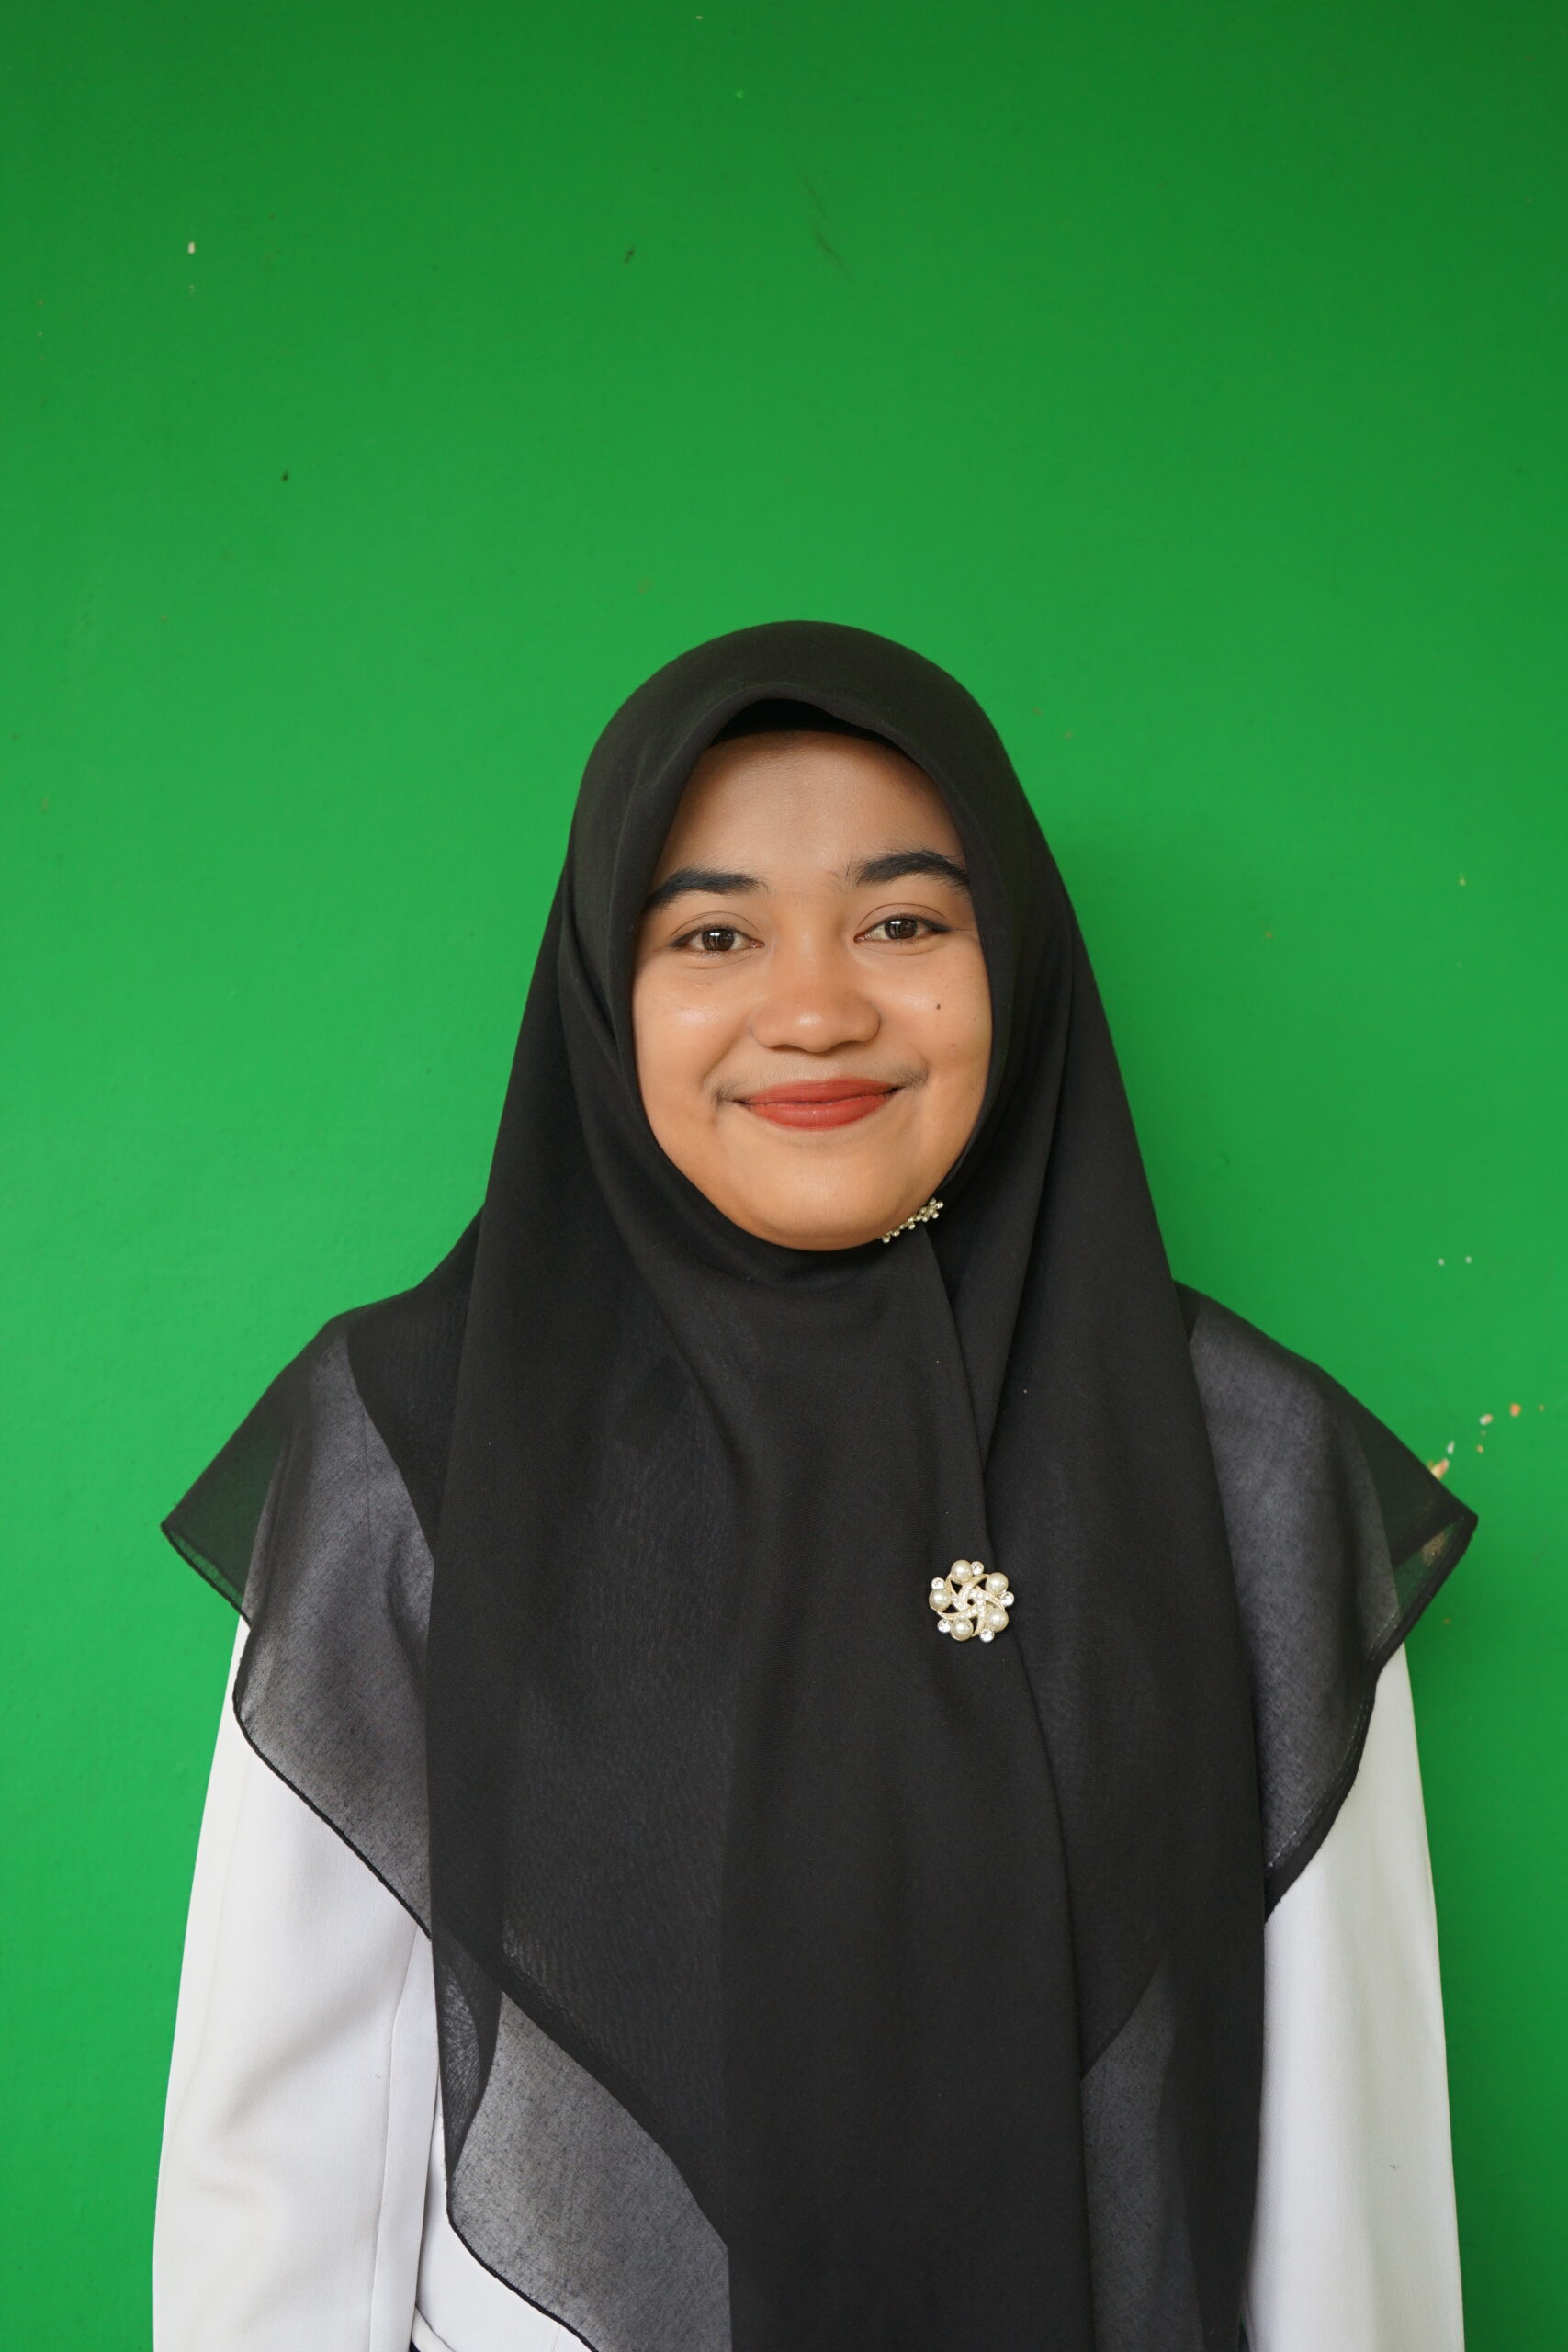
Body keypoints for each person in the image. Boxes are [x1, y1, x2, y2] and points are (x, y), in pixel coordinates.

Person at [155, 622, 1472, 2352]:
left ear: (1019, 960)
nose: (816, 1010)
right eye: (712, 934)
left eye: (906, 923)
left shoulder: (1237, 1465)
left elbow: (1343, 2192)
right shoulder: (421, 1446)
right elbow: (288, 2173)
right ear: (603, 989)